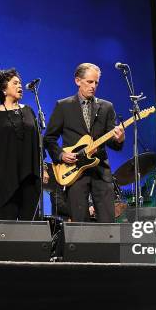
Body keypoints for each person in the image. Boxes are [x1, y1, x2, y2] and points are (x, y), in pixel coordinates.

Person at [44, 63, 124, 223]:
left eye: (96, 82)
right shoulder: (63, 106)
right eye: (89, 82)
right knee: (80, 224)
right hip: (75, 173)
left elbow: (114, 144)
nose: (93, 86)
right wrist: (61, 155)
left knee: (108, 224)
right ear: (78, 81)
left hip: (101, 172)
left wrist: (119, 138)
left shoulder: (106, 107)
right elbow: (49, 138)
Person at [0, 68, 48, 220]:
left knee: (28, 225)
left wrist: (44, 168)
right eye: (15, 83)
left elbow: (37, 142)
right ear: (3, 89)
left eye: (20, 83)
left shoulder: (29, 111)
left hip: (29, 177)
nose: (20, 86)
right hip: (2, 178)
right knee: (4, 225)